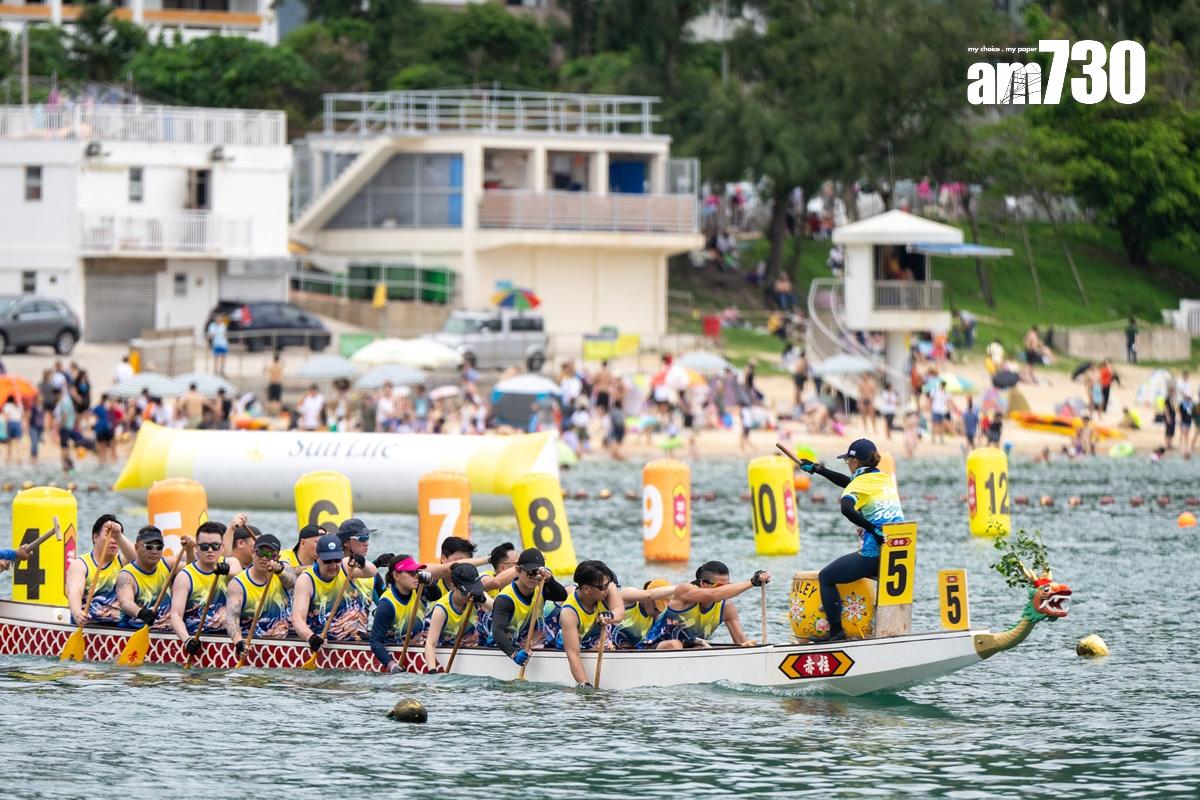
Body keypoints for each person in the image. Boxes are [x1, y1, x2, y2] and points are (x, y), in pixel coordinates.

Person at [796, 438, 904, 643]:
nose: (847, 464)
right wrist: (818, 469)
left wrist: (872, 528)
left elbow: (846, 507)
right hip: (899, 554)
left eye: (848, 461)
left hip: (875, 554)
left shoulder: (861, 483)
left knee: (827, 577)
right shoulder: (883, 479)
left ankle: (836, 632)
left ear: (855, 462)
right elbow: (850, 483)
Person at [644, 561, 769, 649]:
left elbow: (741, 642)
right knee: (675, 645)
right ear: (703, 583)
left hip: (689, 650)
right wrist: (752, 582)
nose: (725, 591)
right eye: (720, 586)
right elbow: (714, 594)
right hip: (654, 648)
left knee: (700, 648)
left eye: (728, 586)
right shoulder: (685, 592)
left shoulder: (726, 607)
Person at [292, 534, 378, 649]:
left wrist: (362, 563)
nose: (333, 566)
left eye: (336, 560)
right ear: (317, 557)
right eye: (327, 561)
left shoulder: (346, 566)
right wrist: (311, 638)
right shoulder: (306, 580)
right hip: (323, 644)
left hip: (355, 641)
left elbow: (371, 572)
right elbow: (297, 619)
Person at [487, 548, 568, 668]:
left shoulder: (540, 588)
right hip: (504, 648)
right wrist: (514, 654)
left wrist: (550, 580)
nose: (534, 577)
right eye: (530, 573)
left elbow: (562, 595)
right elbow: (498, 631)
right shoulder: (505, 599)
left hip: (532, 646)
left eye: (538, 573)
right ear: (518, 570)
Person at [169, 522, 242, 655]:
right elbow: (175, 615)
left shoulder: (230, 563)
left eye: (215, 546)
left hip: (227, 637)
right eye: (204, 546)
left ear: (222, 547)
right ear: (196, 548)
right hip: (196, 639)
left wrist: (226, 571)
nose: (210, 550)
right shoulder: (185, 576)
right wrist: (187, 640)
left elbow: (237, 570)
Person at [549, 560, 625, 686]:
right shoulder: (569, 613)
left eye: (608, 585)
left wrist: (609, 616)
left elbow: (620, 612)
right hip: (563, 640)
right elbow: (573, 653)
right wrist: (584, 683)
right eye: (603, 588)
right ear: (586, 589)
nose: (607, 590)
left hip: (592, 639)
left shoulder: (607, 585)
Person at [225, 534, 295, 658]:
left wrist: (280, 572)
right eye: (260, 553)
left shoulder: (283, 571)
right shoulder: (238, 584)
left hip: (282, 643)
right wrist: (239, 642)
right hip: (251, 645)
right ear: (252, 552)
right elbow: (232, 618)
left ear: (277, 557)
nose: (264, 558)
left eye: (270, 555)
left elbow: (293, 583)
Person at [370, 555, 440, 671]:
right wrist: (390, 664)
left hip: (418, 645)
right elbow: (375, 641)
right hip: (396, 653)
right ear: (396, 575)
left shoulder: (418, 590)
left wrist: (431, 583)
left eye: (417, 572)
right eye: (411, 573)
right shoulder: (387, 604)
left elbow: (436, 596)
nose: (416, 576)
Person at [116, 526, 193, 630]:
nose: (154, 551)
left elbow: (192, 571)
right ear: (136, 548)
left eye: (159, 547)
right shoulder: (126, 575)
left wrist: (189, 550)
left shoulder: (168, 564)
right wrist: (140, 612)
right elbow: (125, 602)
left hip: (165, 630)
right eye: (149, 546)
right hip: (134, 630)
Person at [64, 515, 135, 626]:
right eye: (109, 535)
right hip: (88, 625)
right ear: (95, 537)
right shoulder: (81, 565)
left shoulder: (123, 562)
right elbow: (75, 592)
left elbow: (139, 559)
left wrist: (119, 535)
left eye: (116, 537)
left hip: (119, 627)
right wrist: (77, 612)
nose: (113, 541)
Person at [612, 579, 674, 649]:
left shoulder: (657, 617)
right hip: (606, 645)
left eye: (661, 607)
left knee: (673, 644)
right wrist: (680, 588)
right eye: (656, 605)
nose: (659, 610)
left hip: (632, 653)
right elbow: (649, 594)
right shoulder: (629, 600)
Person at [2, 395, 21, 465]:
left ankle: (9, 456)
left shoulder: (7, 405)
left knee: (9, 441)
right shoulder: (17, 406)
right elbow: (20, 415)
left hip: (11, 423)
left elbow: (6, 416)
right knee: (17, 441)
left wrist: (5, 426)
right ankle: (18, 456)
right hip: (18, 423)